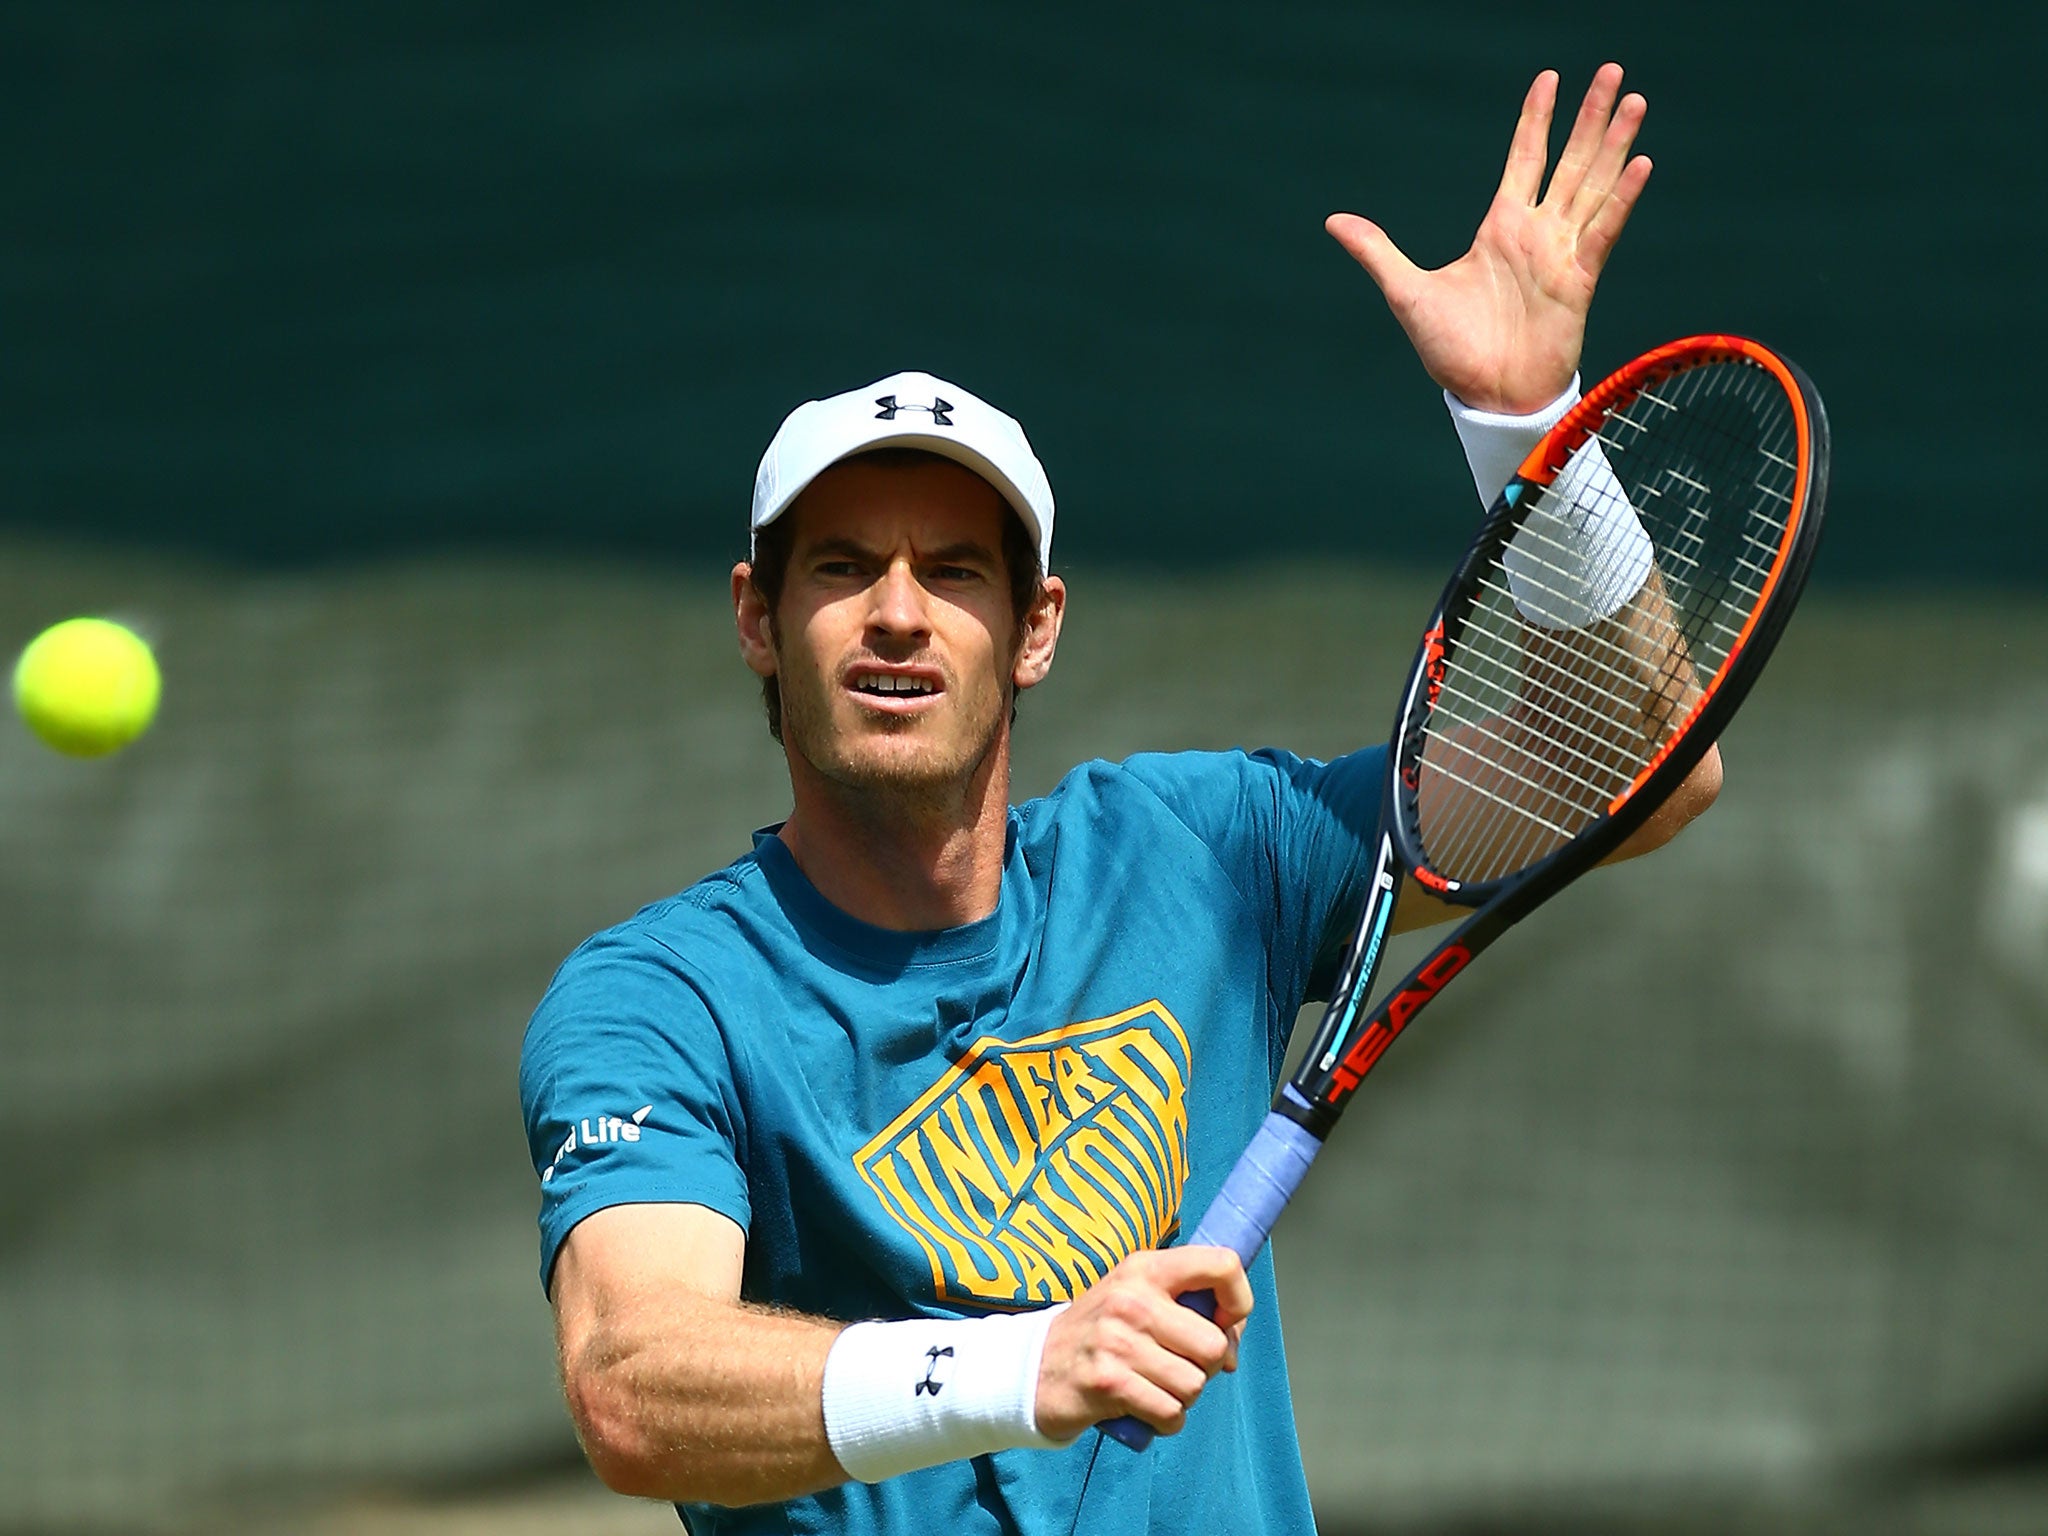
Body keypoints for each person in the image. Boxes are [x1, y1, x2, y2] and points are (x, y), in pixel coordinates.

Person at [521, 64, 1713, 1535]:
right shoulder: (660, 999)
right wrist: (1029, 1364)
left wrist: (1525, 425)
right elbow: (634, 1390)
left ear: (1037, 630)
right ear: (760, 622)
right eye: (841, 569)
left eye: (957, 572)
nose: (900, 615)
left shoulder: (1206, 856)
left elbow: (1643, 774)